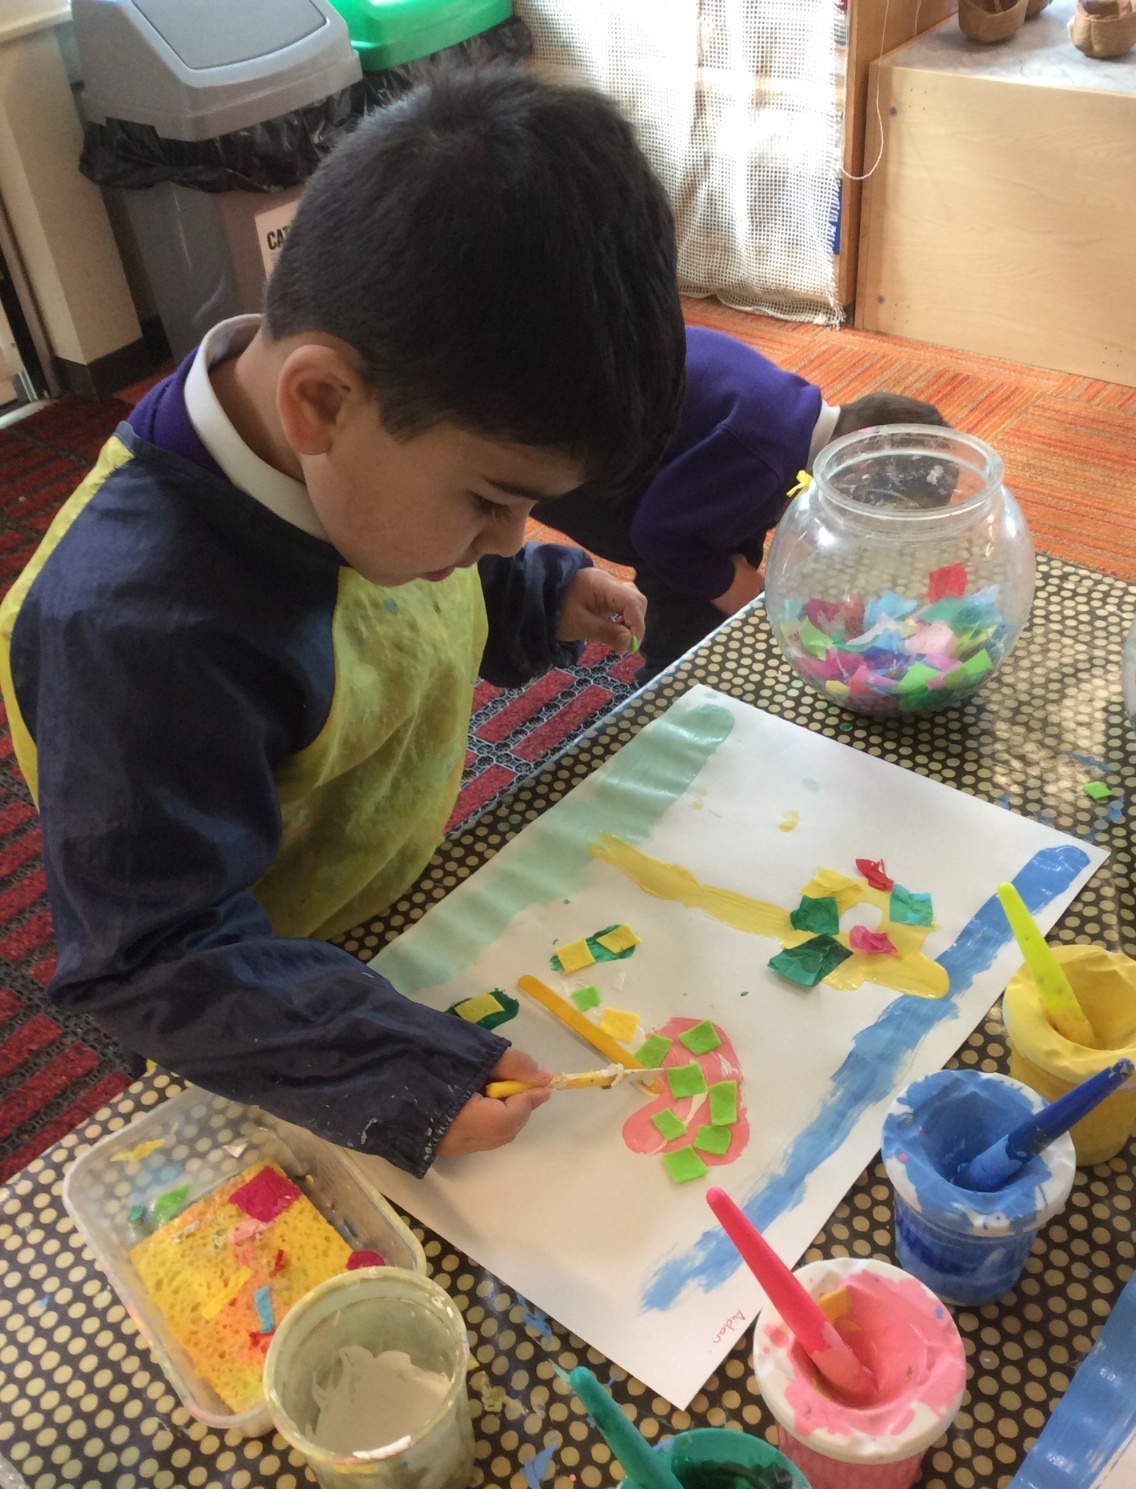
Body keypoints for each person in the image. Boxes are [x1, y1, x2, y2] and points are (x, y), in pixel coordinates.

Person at [0, 68, 686, 1177]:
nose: (507, 536)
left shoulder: (362, 471)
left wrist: (529, 594)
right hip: (254, 1005)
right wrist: (384, 1067)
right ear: (318, 402)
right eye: (491, 501)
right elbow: (152, 955)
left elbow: (401, 604)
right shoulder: (132, 634)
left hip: (383, 905)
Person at [534, 326, 946, 681]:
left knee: (715, 561)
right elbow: (660, 536)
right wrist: (751, 599)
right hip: (557, 451)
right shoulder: (764, 459)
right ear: (858, 468)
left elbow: (728, 504)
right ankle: (671, 691)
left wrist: (746, 579)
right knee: (689, 587)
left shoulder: (793, 418)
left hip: (596, 408)